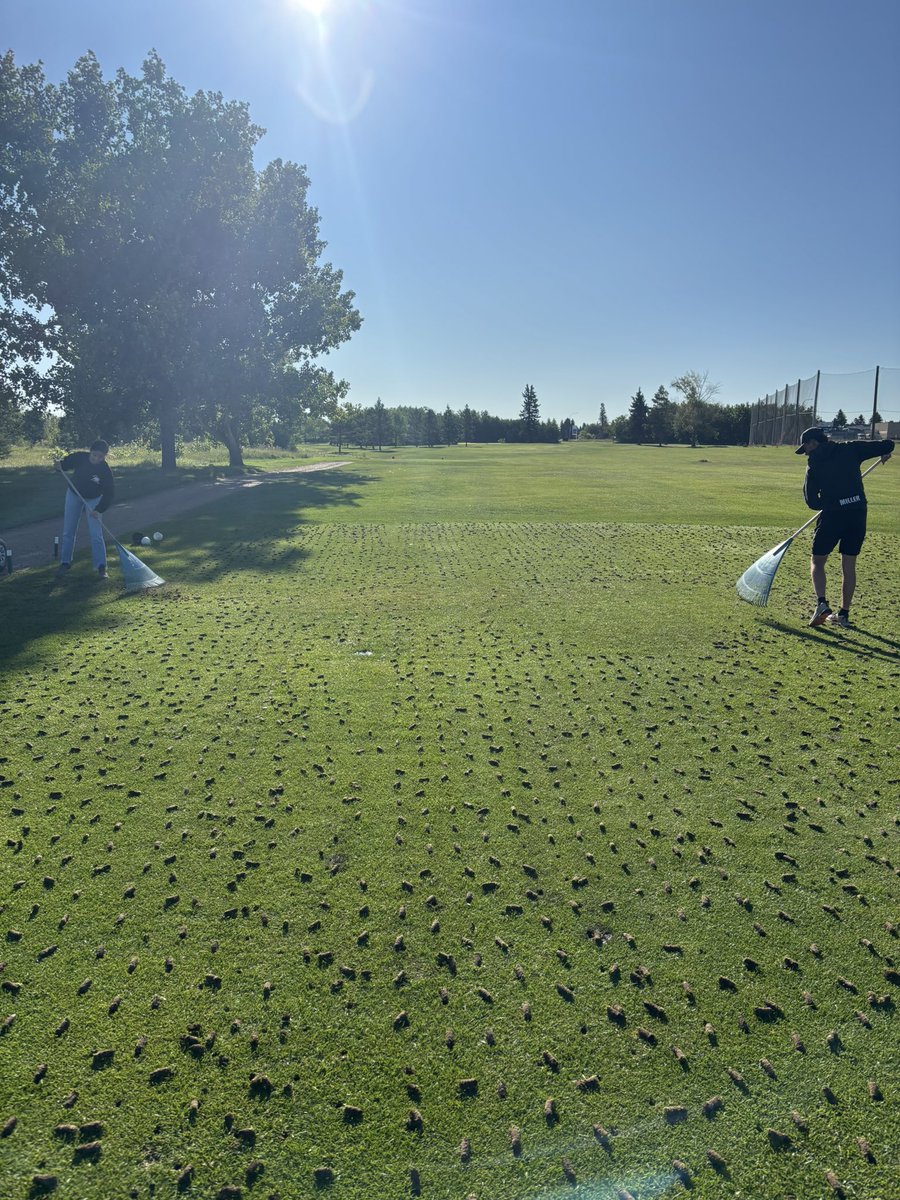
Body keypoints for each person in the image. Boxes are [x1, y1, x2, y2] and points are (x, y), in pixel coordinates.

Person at [796, 426, 893, 628]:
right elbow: (888, 444)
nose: (806, 452)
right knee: (849, 564)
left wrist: (831, 502)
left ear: (814, 442)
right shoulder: (850, 448)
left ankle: (822, 604)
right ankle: (843, 614)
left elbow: (812, 501)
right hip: (858, 513)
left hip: (833, 515)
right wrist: (884, 452)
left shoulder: (813, 463)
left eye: (806, 447)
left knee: (817, 560)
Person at [54, 439, 115, 579]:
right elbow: (64, 465)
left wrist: (98, 509)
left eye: (100, 457)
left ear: (104, 456)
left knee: (96, 534)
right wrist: (58, 466)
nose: (96, 459)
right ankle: (65, 563)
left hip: (94, 500)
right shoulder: (80, 457)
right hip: (74, 495)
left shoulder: (105, 470)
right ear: (90, 451)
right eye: (94, 455)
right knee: (68, 531)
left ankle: (101, 566)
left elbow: (109, 493)